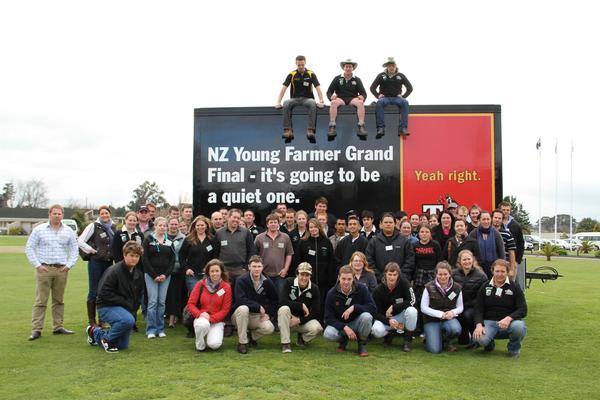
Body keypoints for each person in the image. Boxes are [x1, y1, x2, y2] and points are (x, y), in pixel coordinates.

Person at [25, 204, 78, 340]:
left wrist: (69, 265)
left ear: (62, 215)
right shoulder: (39, 230)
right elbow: (29, 248)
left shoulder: (68, 231)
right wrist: (37, 265)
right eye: (54, 213)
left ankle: (58, 327)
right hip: (44, 269)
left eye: (59, 214)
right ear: (49, 214)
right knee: (41, 300)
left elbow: (74, 249)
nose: (57, 216)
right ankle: (36, 329)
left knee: (59, 300)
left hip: (61, 270)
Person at [86, 241, 144, 353]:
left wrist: (133, 308)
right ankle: (106, 339)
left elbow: (138, 295)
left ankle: (94, 333)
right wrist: (126, 303)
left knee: (122, 345)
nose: (134, 259)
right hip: (106, 306)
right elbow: (103, 293)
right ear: (124, 255)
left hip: (124, 308)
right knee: (128, 320)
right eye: (131, 255)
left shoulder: (138, 274)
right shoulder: (114, 271)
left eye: (137, 256)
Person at [473, 259, 527, 358]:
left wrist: (509, 318)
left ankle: (513, 349)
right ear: (492, 271)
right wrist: (479, 325)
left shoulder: (514, 286)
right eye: (497, 271)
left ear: (507, 272)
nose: (500, 274)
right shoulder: (485, 286)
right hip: (489, 322)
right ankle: (489, 344)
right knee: (479, 338)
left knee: (519, 327)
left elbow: (523, 309)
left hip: (509, 323)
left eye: (503, 271)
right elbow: (478, 309)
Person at [323, 266, 376, 357]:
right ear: (339, 277)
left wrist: (355, 307)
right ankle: (344, 340)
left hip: (356, 323)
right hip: (341, 325)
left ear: (353, 278)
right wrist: (344, 327)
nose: (346, 282)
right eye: (343, 279)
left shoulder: (362, 288)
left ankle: (361, 344)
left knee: (367, 317)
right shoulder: (331, 293)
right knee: (328, 334)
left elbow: (373, 308)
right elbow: (328, 318)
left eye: (349, 279)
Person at [78, 205, 117, 327]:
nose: (104, 215)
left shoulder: (113, 227)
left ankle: (102, 319)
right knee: (94, 291)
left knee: (104, 291)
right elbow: (80, 240)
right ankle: (92, 320)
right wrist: (91, 250)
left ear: (110, 214)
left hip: (108, 263)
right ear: (99, 215)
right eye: (102, 213)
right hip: (96, 263)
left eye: (106, 213)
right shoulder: (93, 226)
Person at [232, 256, 278, 354]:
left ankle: (250, 337)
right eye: (254, 266)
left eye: (259, 266)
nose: (256, 269)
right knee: (243, 308)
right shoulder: (241, 280)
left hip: (256, 316)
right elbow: (240, 300)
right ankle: (242, 343)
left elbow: (274, 299)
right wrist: (258, 306)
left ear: (262, 267)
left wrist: (269, 314)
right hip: (239, 316)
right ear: (249, 267)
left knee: (269, 328)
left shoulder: (267, 281)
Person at [275, 55, 325, 142]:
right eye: (299, 65)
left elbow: (318, 87)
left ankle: (310, 130)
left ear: (305, 63)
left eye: (302, 64)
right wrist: (278, 101)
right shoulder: (292, 74)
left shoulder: (311, 73)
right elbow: (283, 88)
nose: (301, 67)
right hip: (295, 99)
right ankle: (288, 130)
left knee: (313, 103)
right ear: (296, 64)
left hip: (307, 99)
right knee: (286, 103)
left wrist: (321, 100)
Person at [187, 259, 232, 352]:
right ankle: (200, 344)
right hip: (202, 317)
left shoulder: (226, 287)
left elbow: (225, 309)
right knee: (202, 325)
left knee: (214, 345)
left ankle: (210, 334)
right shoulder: (200, 284)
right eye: (212, 271)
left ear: (221, 272)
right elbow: (191, 304)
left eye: (217, 271)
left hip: (217, 320)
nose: (214, 273)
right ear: (208, 272)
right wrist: (199, 314)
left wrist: (211, 319)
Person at [277, 262, 323, 353]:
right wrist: (300, 305)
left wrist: (299, 320)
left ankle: (302, 338)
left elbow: (316, 312)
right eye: (302, 274)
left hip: (301, 321)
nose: (304, 278)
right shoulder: (288, 282)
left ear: (310, 276)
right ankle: (285, 343)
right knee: (284, 309)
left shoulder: (314, 289)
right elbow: (282, 301)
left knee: (317, 328)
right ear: (297, 274)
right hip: (287, 320)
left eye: (307, 275)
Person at [371, 262, 417, 351]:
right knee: (376, 330)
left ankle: (407, 341)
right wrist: (388, 321)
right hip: (386, 318)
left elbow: (412, 301)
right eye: (390, 274)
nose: (392, 277)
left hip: (401, 316)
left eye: (394, 275)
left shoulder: (405, 283)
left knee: (412, 311)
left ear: (398, 275)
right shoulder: (378, 290)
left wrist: (394, 307)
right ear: (385, 274)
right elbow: (375, 312)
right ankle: (389, 334)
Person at [142, 217, 175, 339]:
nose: (162, 227)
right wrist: (154, 275)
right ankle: (151, 329)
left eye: (164, 226)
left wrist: (165, 275)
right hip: (151, 276)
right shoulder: (148, 239)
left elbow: (172, 260)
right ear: (155, 226)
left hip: (165, 276)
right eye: (160, 225)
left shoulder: (169, 241)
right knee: (152, 302)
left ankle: (160, 329)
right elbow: (144, 259)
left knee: (161, 302)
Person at [420, 261, 464, 353]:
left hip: (448, 318)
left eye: (445, 274)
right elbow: (423, 308)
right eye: (440, 274)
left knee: (455, 329)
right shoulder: (428, 287)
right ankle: (429, 336)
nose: (443, 277)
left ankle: (446, 341)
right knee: (434, 350)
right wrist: (440, 314)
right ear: (436, 274)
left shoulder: (457, 287)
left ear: (450, 274)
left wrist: (452, 312)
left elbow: (460, 307)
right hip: (431, 320)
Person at [298, 218, 336, 319]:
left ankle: (321, 321)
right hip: (307, 280)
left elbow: (331, 261)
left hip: (324, 280)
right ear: (308, 229)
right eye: (311, 227)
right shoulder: (303, 242)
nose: (313, 229)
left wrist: (330, 278)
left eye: (315, 227)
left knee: (322, 302)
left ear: (319, 227)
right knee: (307, 301)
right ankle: (306, 321)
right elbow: (299, 261)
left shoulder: (326, 242)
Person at [370, 57, 413, 138]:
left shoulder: (400, 76)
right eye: (389, 66)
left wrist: (403, 96)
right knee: (379, 103)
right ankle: (381, 128)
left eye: (393, 65)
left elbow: (410, 88)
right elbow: (372, 88)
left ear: (395, 66)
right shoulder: (381, 75)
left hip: (397, 98)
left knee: (405, 102)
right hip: (385, 98)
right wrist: (378, 95)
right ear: (387, 66)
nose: (391, 67)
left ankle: (403, 128)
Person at [452, 250, 488, 346]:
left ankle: (475, 337)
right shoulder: (453, 274)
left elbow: (484, 296)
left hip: (474, 307)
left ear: (473, 260)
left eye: (469, 259)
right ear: (460, 261)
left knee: (467, 314)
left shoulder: (481, 276)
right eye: (464, 259)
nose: (467, 262)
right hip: (458, 306)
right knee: (462, 342)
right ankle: (462, 337)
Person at [365, 212, 415, 281]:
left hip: (401, 281)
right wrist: (380, 277)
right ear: (381, 224)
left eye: (390, 222)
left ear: (395, 224)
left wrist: (400, 276)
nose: (388, 224)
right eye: (385, 222)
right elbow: (369, 261)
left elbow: (410, 260)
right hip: (380, 282)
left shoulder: (404, 241)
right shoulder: (373, 242)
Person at [326, 59, 368, 139]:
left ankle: (361, 126)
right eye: (346, 67)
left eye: (350, 67)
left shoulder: (357, 79)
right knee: (333, 103)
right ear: (343, 68)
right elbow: (329, 91)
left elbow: (364, 93)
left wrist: (362, 97)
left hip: (352, 98)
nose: (348, 68)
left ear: (353, 68)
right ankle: (332, 127)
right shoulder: (337, 78)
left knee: (360, 103)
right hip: (341, 98)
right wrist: (331, 97)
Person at [254, 213, 294, 292]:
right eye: (271, 222)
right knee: (264, 297)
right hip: (263, 274)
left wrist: (285, 269)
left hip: (280, 274)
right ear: (267, 224)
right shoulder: (259, 238)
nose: (273, 224)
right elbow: (254, 255)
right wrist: (258, 270)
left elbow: (289, 254)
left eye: (275, 222)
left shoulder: (285, 237)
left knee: (279, 297)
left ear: (278, 224)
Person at [214, 208, 257, 282]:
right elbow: (215, 252)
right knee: (223, 292)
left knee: (239, 292)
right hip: (224, 270)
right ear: (228, 217)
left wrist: (246, 267)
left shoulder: (246, 232)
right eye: (234, 217)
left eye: (238, 218)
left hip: (241, 270)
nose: (236, 220)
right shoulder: (219, 233)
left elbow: (251, 251)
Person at [180, 215, 217, 293]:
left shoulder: (212, 239)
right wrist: (186, 269)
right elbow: (181, 256)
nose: (200, 227)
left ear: (206, 226)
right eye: (198, 225)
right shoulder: (188, 239)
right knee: (195, 296)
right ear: (194, 226)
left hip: (208, 275)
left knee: (207, 297)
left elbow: (215, 257)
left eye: (202, 225)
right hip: (192, 275)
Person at [469, 211, 506, 278]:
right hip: (477, 268)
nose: (486, 222)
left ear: (491, 219)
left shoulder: (496, 233)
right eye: (483, 219)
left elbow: (501, 252)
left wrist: (502, 267)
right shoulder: (473, 234)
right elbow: (469, 252)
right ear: (479, 220)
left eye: (488, 219)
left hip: (494, 269)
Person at [165, 217, 187, 329]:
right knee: (167, 295)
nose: (173, 226)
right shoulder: (161, 237)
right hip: (165, 270)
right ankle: (166, 316)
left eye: (175, 224)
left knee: (176, 295)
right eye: (171, 224)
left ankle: (173, 319)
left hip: (178, 270)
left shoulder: (184, 238)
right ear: (168, 225)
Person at [492, 209, 517, 277]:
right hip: (490, 266)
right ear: (492, 218)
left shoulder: (507, 234)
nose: (497, 220)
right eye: (495, 218)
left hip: (504, 267)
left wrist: (512, 270)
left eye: (499, 218)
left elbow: (511, 252)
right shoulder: (486, 233)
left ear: (502, 220)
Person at [499, 201, 525, 265]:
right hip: (498, 259)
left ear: (510, 211)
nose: (505, 211)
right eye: (503, 210)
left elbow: (520, 243)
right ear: (500, 210)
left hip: (512, 260)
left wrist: (517, 260)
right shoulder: (495, 223)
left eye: (508, 210)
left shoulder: (516, 225)